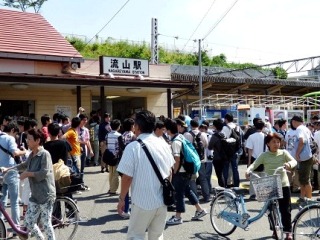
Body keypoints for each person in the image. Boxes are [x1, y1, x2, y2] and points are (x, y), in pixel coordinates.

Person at [117, 110, 175, 239]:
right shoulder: (164, 144)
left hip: (142, 202)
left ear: (137, 127)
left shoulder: (133, 147)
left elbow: (127, 177)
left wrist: (121, 199)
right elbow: (170, 171)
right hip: (161, 200)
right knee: (157, 235)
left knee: (136, 235)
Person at [2, 128, 56, 240]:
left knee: (46, 224)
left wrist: (27, 174)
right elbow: (23, 165)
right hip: (35, 195)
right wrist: (9, 169)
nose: (27, 141)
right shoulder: (32, 154)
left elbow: (43, 173)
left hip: (46, 195)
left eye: (30, 139)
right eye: (27, 138)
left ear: (37, 140)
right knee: (28, 222)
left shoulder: (44, 154)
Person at [245, 133, 297, 240]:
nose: (276, 144)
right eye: (273, 142)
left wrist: (289, 164)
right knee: (270, 209)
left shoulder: (283, 153)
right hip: (269, 184)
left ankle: (288, 232)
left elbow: (294, 161)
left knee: (286, 210)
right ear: (268, 143)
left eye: (278, 142)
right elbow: (254, 165)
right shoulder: (264, 155)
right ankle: (274, 229)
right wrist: (248, 170)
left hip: (283, 185)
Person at [164, 118, 207, 225]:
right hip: (187, 169)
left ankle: (178, 217)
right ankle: (200, 210)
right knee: (187, 190)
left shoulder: (175, 142)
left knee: (179, 193)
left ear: (169, 130)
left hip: (181, 171)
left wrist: (175, 171)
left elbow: (177, 159)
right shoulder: (181, 137)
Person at [0, 122, 26, 237]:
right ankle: (16, 227)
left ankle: (0, 226)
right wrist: (24, 151)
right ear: (12, 131)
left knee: (2, 201)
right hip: (10, 171)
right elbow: (15, 153)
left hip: (0, 172)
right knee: (15, 201)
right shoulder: (9, 139)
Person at [184, 119, 210, 202]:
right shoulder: (203, 134)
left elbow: (185, 147)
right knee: (203, 178)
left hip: (191, 160)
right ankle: (206, 196)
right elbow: (206, 145)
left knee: (192, 179)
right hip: (201, 159)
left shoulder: (187, 134)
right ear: (198, 125)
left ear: (190, 125)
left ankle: (195, 198)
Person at [291, 115, 313, 202]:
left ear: (294, 121)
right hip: (307, 156)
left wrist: (297, 153)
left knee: (305, 180)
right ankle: (302, 197)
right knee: (303, 179)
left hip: (303, 157)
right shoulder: (305, 128)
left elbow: (301, 141)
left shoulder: (299, 129)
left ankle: (310, 199)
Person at [245, 119, 266, 200]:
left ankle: (253, 194)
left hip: (254, 159)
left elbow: (250, 150)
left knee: (253, 177)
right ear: (263, 127)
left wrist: (249, 162)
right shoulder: (266, 136)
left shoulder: (251, 136)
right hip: (264, 158)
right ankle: (262, 193)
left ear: (255, 127)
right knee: (263, 176)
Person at [221, 113, 240, 187]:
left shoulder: (225, 128)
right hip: (235, 150)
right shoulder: (237, 127)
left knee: (225, 168)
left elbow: (223, 139)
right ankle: (236, 185)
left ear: (226, 119)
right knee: (235, 168)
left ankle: (225, 184)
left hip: (227, 151)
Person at [208, 119, 226, 187]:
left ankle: (222, 190)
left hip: (217, 157)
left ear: (215, 126)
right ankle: (224, 188)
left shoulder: (214, 136)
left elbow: (210, 147)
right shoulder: (224, 134)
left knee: (219, 175)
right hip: (225, 156)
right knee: (223, 174)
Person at [106, 119, 122, 195]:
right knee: (116, 174)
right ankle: (113, 190)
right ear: (118, 126)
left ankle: (111, 187)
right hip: (116, 156)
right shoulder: (119, 135)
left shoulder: (108, 134)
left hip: (109, 155)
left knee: (111, 173)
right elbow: (120, 146)